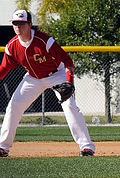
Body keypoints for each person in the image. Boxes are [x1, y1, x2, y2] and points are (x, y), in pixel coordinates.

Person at [0, 9, 95, 157]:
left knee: (69, 105)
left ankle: (86, 147)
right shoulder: (12, 46)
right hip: (32, 78)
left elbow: (67, 61)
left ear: (30, 24)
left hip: (56, 74)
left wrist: (69, 82)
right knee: (13, 106)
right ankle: (3, 147)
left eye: (22, 23)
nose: (18, 26)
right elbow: (5, 67)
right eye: (15, 23)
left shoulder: (45, 41)